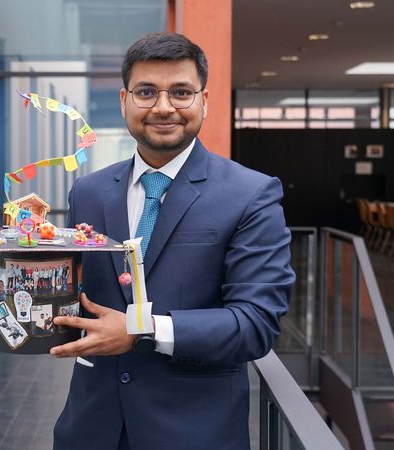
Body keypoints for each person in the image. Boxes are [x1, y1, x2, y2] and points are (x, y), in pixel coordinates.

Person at [48, 33, 295, 449]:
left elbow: (256, 323)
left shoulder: (250, 194)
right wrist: (19, 315)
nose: (163, 107)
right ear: (124, 101)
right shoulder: (88, 193)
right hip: (90, 429)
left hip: (193, 434)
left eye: (181, 92)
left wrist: (141, 331)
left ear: (204, 101)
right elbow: (76, 299)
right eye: (146, 92)